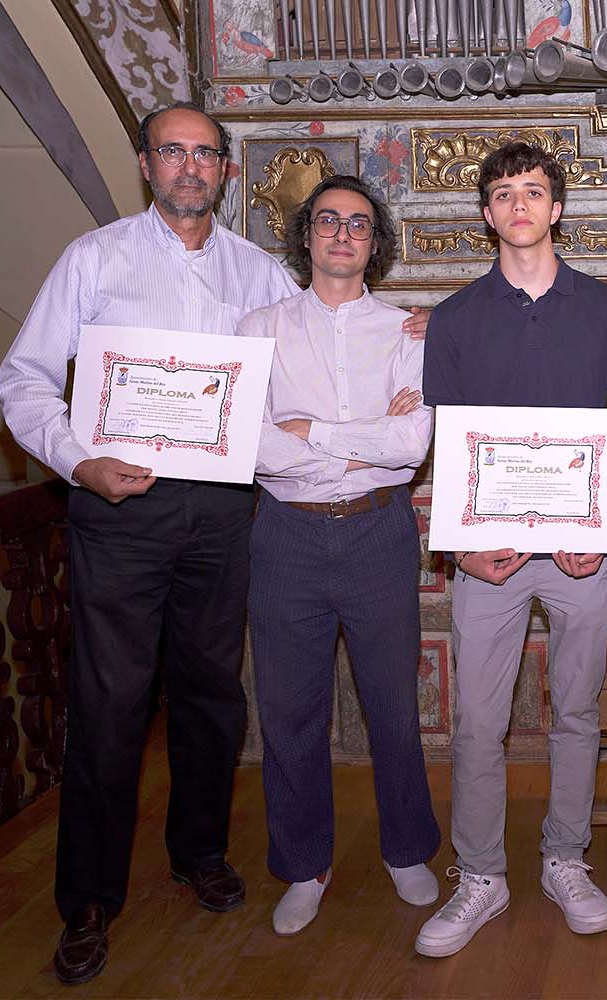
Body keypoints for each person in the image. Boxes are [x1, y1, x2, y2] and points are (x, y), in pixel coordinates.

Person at [0, 103, 295, 986]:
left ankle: (198, 851)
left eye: (205, 154)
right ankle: (88, 900)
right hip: (119, 511)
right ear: (145, 164)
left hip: (225, 512)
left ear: (225, 172)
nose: (189, 167)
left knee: (210, 696)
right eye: (173, 151)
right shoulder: (95, 259)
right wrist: (79, 462)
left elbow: (305, 362)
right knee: (111, 702)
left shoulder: (261, 272)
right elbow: (23, 380)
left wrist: (406, 336)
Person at [414, 142, 607, 957]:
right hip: (490, 555)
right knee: (479, 720)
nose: (520, 206)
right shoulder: (455, 318)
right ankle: (481, 875)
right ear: (487, 213)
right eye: (504, 193)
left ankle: (564, 859)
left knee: (575, 712)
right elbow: (446, 445)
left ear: (557, 208)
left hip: (582, 552)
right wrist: (460, 549)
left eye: (534, 192)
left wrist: (599, 533)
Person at [238, 175, 441, 935]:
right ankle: (304, 865)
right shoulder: (256, 329)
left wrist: (312, 431)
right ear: (306, 235)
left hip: (376, 530)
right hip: (285, 534)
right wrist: (358, 439)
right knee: (289, 710)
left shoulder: (407, 332)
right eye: (328, 220)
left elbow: (409, 444)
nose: (343, 233)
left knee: (393, 703)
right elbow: (251, 442)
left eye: (359, 223)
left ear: (374, 242)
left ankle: (407, 850)